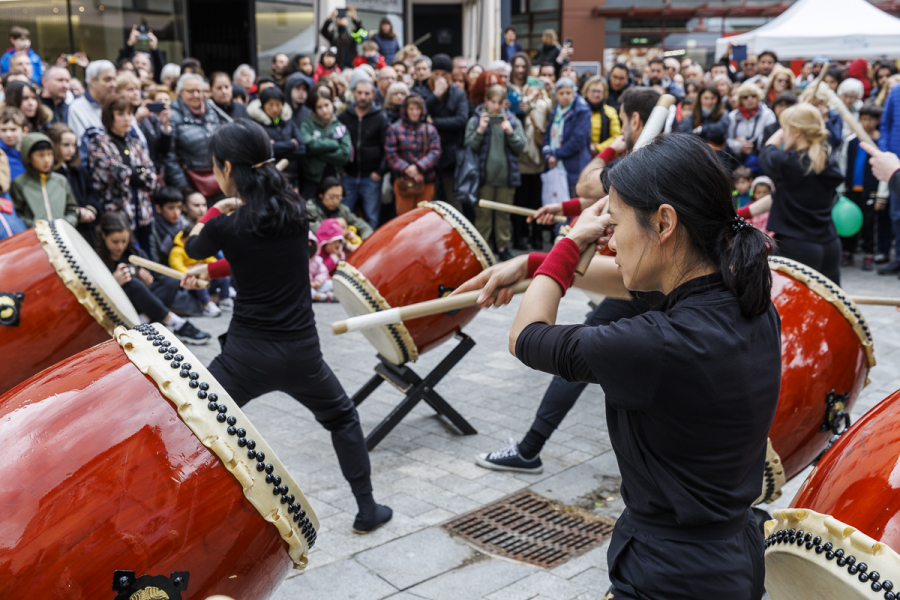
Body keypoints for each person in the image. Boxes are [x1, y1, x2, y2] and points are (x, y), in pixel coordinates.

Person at [459, 133, 779, 600]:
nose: (608, 238)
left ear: (664, 222)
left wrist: (568, 245)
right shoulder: (743, 293)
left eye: (615, 221)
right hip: (729, 557)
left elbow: (526, 336)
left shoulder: (657, 344)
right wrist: (533, 263)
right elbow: (632, 283)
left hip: (672, 576)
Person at [180, 119, 391, 532]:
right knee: (344, 418)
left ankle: (194, 522)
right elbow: (267, 258)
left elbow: (194, 248)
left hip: (245, 358)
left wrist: (215, 210)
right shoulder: (296, 212)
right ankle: (367, 509)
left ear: (226, 168)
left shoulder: (227, 224)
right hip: (302, 356)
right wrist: (216, 272)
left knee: (195, 427)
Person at [96, 211, 210, 343]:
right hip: (119, 306)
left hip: (143, 303)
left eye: (124, 241)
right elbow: (96, 292)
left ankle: (142, 321)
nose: (120, 246)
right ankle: (178, 324)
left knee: (171, 281)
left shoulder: (133, 252)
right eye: (115, 241)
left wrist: (147, 279)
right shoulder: (96, 257)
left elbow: (155, 279)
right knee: (132, 284)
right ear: (103, 236)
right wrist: (113, 282)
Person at [761, 104, 844, 283]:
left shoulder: (788, 163)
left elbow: (767, 151)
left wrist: (783, 130)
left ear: (797, 132)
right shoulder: (827, 160)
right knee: (827, 308)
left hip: (798, 245)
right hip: (829, 244)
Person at [88, 95, 160, 251]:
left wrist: (135, 172)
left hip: (142, 211)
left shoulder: (134, 143)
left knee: (147, 254)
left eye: (129, 113)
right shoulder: (99, 142)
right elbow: (110, 171)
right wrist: (136, 173)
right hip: (117, 214)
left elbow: (150, 171)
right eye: (120, 114)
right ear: (109, 117)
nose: (127, 118)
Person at [467, 84, 526, 261]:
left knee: (503, 215)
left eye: (500, 102)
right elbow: (469, 145)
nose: (496, 106)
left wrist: (510, 132)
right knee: (482, 215)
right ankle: (481, 248)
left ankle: (502, 247)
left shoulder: (513, 121)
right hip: (484, 178)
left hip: (506, 178)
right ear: (486, 101)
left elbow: (521, 146)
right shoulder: (476, 120)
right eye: (493, 102)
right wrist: (480, 130)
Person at [163, 73, 231, 193]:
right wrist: (184, 188)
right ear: (180, 92)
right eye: (190, 91)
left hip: (218, 179)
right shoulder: (172, 116)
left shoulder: (211, 111)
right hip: (191, 183)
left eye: (199, 91)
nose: (196, 95)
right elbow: (169, 156)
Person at [417, 54, 468, 209]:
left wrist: (435, 122)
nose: (440, 78)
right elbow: (418, 115)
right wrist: (435, 95)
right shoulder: (421, 91)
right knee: (430, 204)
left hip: (450, 157)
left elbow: (461, 120)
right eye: (437, 74)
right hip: (426, 156)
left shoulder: (458, 94)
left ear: (450, 75)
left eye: (444, 74)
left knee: (453, 203)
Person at [337, 76, 389, 229]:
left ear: (373, 95)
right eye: (359, 93)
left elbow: (387, 147)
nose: (362, 97)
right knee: (344, 216)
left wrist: (380, 172)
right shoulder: (344, 116)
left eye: (367, 93)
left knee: (371, 218)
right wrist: (341, 170)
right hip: (348, 175)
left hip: (371, 177)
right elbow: (336, 144)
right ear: (354, 93)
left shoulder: (380, 117)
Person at [840, 103, 882, 271]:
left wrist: (881, 195)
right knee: (850, 219)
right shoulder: (850, 141)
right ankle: (847, 251)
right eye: (863, 119)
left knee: (869, 222)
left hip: (870, 190)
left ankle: (868, 252)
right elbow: (843, 164)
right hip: (851, 189)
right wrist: (842, 186)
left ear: (877, 121)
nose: (866, 123)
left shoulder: (879, 142)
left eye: (870, 119)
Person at [384, 94, 441, 214]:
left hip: (425, 180)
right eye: (411, 109)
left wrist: (418, 167)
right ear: (405, 110)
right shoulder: (394, 129)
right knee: (404, 219)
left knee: (424, 218)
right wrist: (407, 169)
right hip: (403, 182)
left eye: (417, 109)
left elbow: (435, 151)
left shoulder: (430, 130)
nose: (414, 112)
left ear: (422, 110)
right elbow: (391, 154)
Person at [10, 131, 78, 227]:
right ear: (28, 157)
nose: (47, 160)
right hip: (34, 237)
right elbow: (17, 214)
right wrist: (34, 226)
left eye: (50, 154)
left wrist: (66, 224)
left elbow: (72, 209)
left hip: (63, 235)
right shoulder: (19, 183)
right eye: (40, 155)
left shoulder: (61, 180)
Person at [46, 123, 100, 242]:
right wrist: (77, 213)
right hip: (67, 231)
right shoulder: (51, 175)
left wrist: (91, 209)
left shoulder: (79, 170)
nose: (71, 150)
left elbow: (92, 191)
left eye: (74, 145)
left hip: (88, 229)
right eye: (66, 145)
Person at [513, 82, 551, 250]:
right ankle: (520, 236)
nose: (534, 93)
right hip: (523, 161)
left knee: (537, 201)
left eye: (537, 90)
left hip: (539, 161)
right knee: (521, 201)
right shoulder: (520, 107)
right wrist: (526, 108)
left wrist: (550, 91)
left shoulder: (545, 106)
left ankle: (537, 236)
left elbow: (553, 115)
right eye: (530, 90)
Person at [299, 83, 351, 200]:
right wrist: (333, 144)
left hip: (335, 178)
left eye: (327, 105)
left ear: (332, 104)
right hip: (312, 179)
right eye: (319, 107)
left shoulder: (339, 126)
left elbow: (344, 155)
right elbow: (308, 146)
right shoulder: (307, 125)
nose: (324, 110)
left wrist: (318, 152)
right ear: (313, 108)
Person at [543, 78, 591, 197]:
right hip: (555, 166)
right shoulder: (556, 110)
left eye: (568, 93)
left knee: (572, 206)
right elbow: (548, 133)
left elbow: (577, 141)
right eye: (561, 93)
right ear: (556, 95)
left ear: (574, 93)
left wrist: (556, 154)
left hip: (574, 167)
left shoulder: (582, 111)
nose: (565, 96)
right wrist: (548, 154)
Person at [248, 87, 305, 188]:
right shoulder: (256, 126)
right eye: (270, 104)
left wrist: (275, 146)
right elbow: (264, 151)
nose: (275, 109)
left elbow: (301, 149)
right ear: (263, 105)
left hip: (293, 177)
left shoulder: (289, 123)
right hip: (269, 179)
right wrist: (291, 144)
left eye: (278, 104)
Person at [116, 73, 171, 166]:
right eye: (130, 89)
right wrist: (135, 121)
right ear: (118, 92)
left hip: (153, 169)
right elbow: (125, 146)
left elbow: (163, 149)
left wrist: (165, 125)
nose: (136, 93)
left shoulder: (148, 115)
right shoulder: (117, 115)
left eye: (137, 89)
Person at [67, 60, 117, 152]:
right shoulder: (77, 108)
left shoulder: (118, 105)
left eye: (114, 79)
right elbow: (82, 149)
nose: (113, 84)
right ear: (93, 80)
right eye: (108, 79)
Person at [726, 83, 776, 171]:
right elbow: (727, 139)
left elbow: (771, 138)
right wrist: (739, 146)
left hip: (760, 158)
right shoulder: (732, 116)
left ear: (758, 97)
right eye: (745, 97)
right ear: (740, 99)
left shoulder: (768, 114)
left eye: (753, 96)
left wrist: (752, 143)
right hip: (737, 160)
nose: (750, 99)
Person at [306, 175, 373, 240]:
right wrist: (346, 244)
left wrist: (365, 241)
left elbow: (363, 225)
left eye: (339, 197)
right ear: (321, 194)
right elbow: (322, 234)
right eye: (332, 196)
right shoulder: (310, 209)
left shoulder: (342, 209)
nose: (335, 201)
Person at [581, 76, 621, 156]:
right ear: (586, 92)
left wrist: (598, 148)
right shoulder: (579, 111)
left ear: (604, 93)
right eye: (593, 91)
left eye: (599, 91)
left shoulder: (610, 112)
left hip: (602, 155)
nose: (596, 94)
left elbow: (616, 136)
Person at [0, 107, 27, 189]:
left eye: (13, 129)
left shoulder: (29, 153)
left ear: (24, 131)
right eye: (3, 130)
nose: (8, 134)